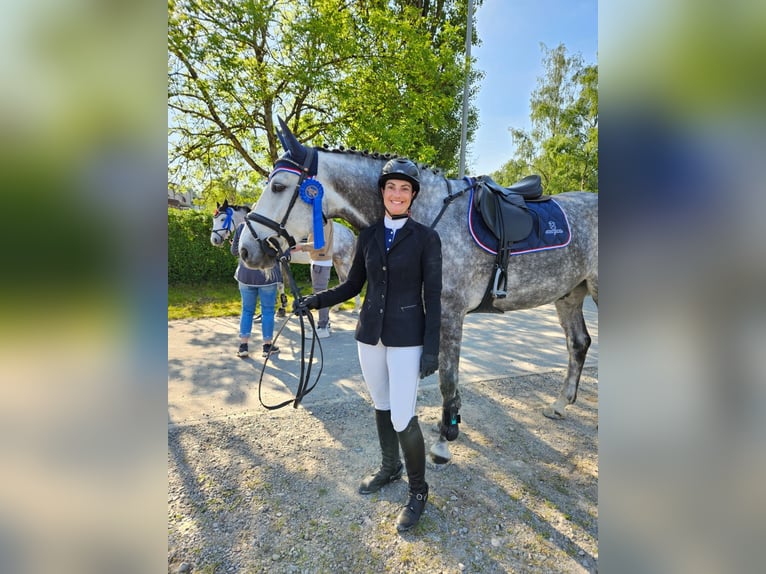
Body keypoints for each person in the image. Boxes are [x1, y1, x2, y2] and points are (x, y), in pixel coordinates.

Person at [295, 158, 442, 532]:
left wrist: (431, 348)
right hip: (370, 337)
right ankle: (389, 468)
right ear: (383, 192)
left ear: (412, 196)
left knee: (403, 415)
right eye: (391, 187)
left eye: (404, 188)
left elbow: (434, 295)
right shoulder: (369, 236)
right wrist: (317, 300)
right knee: (382, 404)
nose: (397, 194)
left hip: (408, 339)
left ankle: (419, 491)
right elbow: (352, 285)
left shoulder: (427, 238)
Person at [231, 222, 282, 358]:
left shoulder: (242, 227)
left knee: (247, 310)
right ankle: (267, 346)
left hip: (246, 275)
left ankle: (243, 346)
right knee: (268, 311)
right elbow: (282, 251)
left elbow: (234, 251)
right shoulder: (272, 227)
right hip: (268, 275)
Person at [292, 217, 335, 338]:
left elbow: (321, 244)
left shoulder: (323, 221)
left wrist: (301, 247)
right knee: (321, 293)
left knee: (320, 295)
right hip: (321, 261)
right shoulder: (324, 220)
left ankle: (323, 327)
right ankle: (325, 323)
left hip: (320, 262)